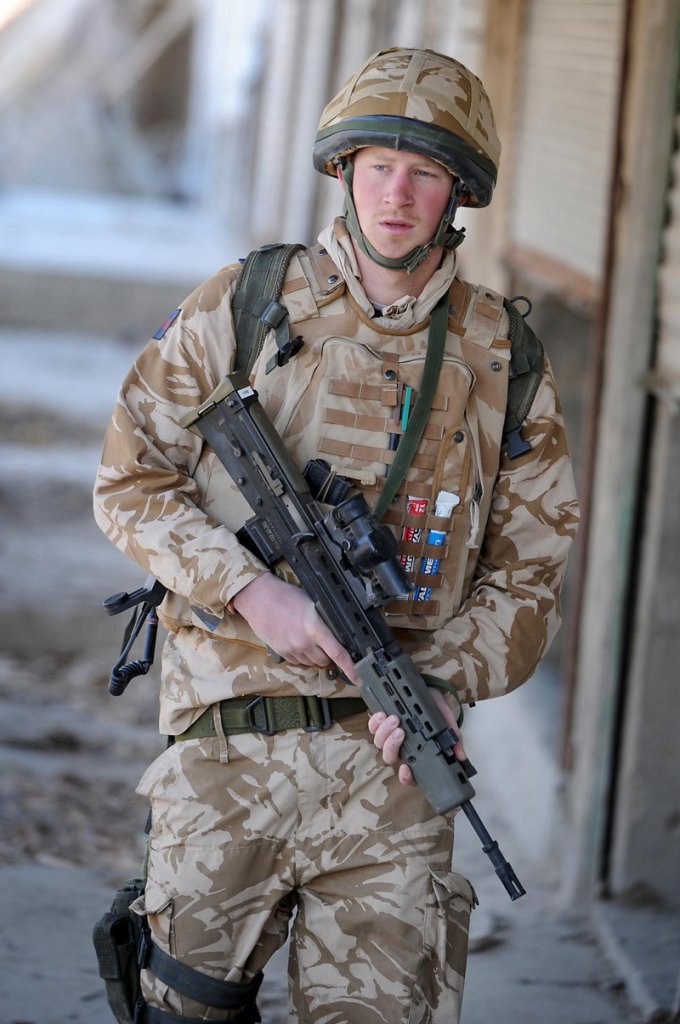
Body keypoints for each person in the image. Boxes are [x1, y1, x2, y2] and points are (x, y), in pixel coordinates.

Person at [94, 47, 578, 1024]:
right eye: (377, 163)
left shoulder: (503, 358)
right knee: (175, 1005)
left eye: (425, 171)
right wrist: (247, 590)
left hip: (394, 772)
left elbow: (528, 577)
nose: (396, 193)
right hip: (229, 747)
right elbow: (129, 481)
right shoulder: (245, 303)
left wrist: (442, 684)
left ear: (458, 193)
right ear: (343, 169)